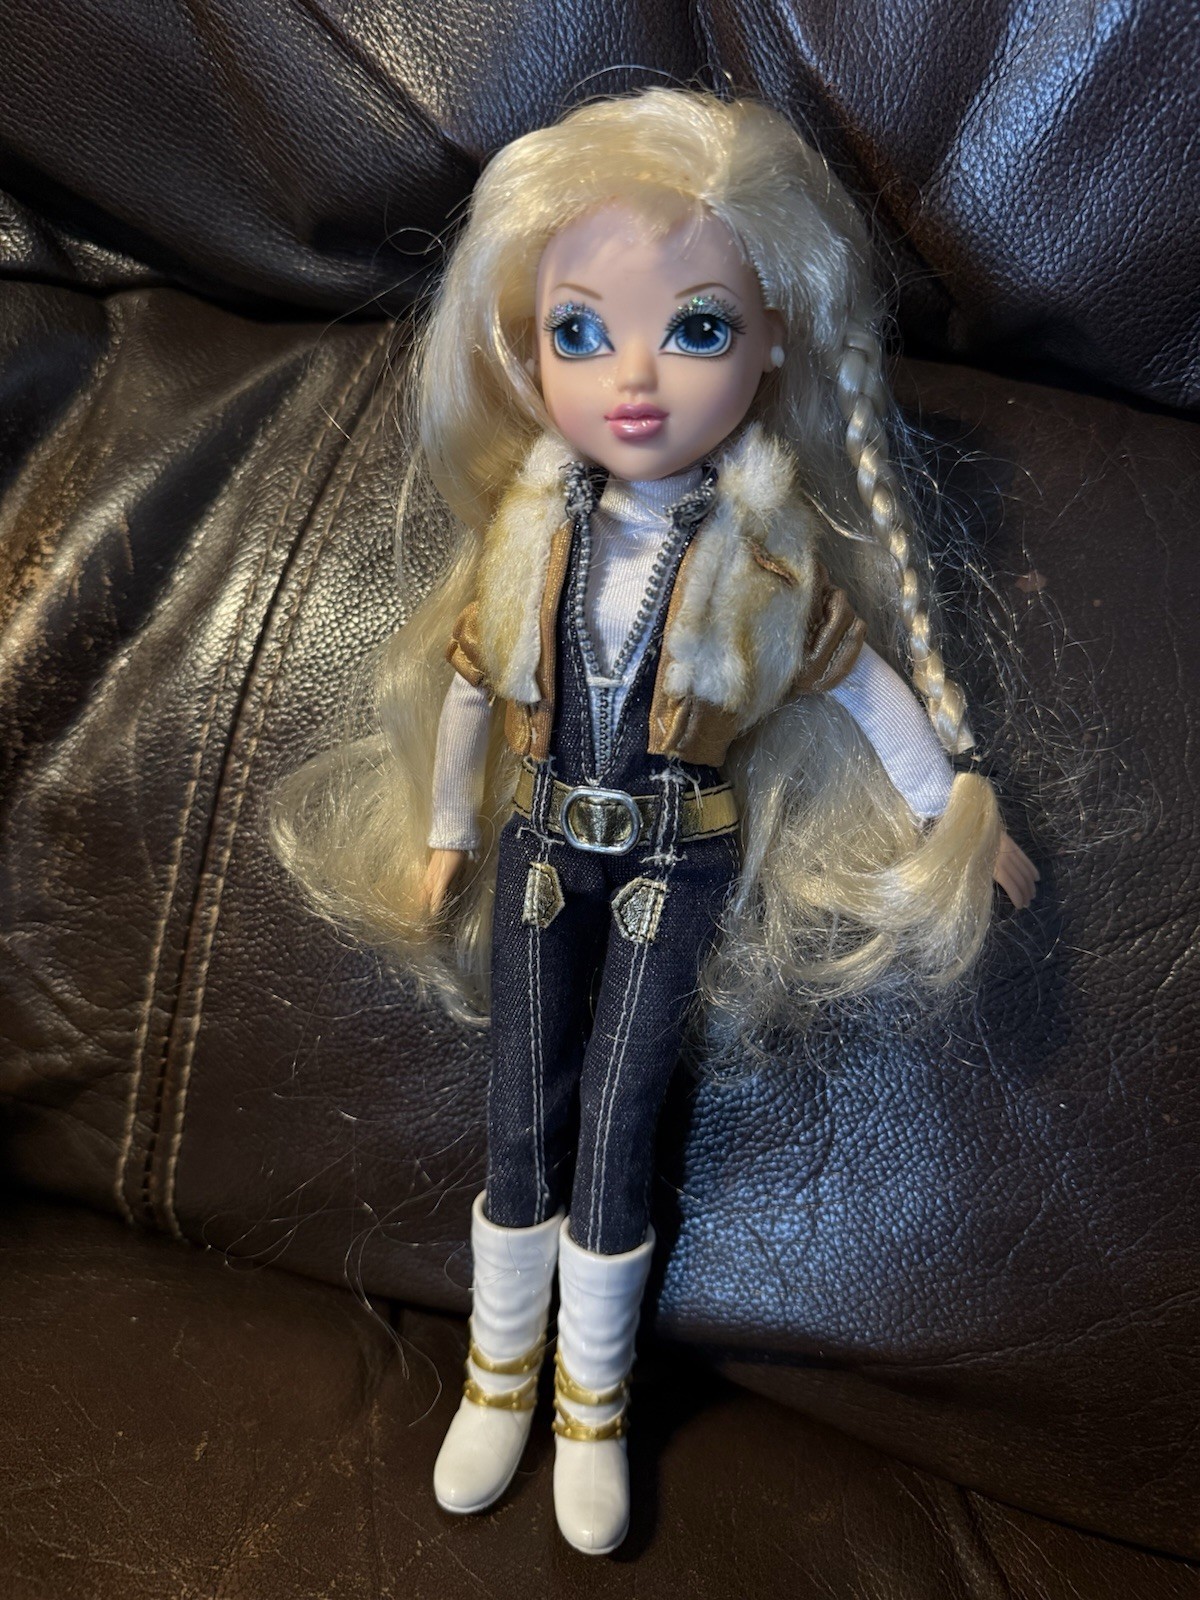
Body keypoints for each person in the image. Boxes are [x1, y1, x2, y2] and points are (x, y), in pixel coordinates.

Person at [270, 87, 1038, 1557]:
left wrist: (956, 814)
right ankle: (499, 1373)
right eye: (580, 331)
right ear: (524, 349)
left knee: (621, 1115)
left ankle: (591, 1401)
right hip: (537, 851)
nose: (633, 378)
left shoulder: (767, 564)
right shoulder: (528, 538)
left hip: (673, 861)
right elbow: (473, 692)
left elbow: (865, 688)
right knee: (522, 1109)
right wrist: (445, 834)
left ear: (774, 340)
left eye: (694, 327)